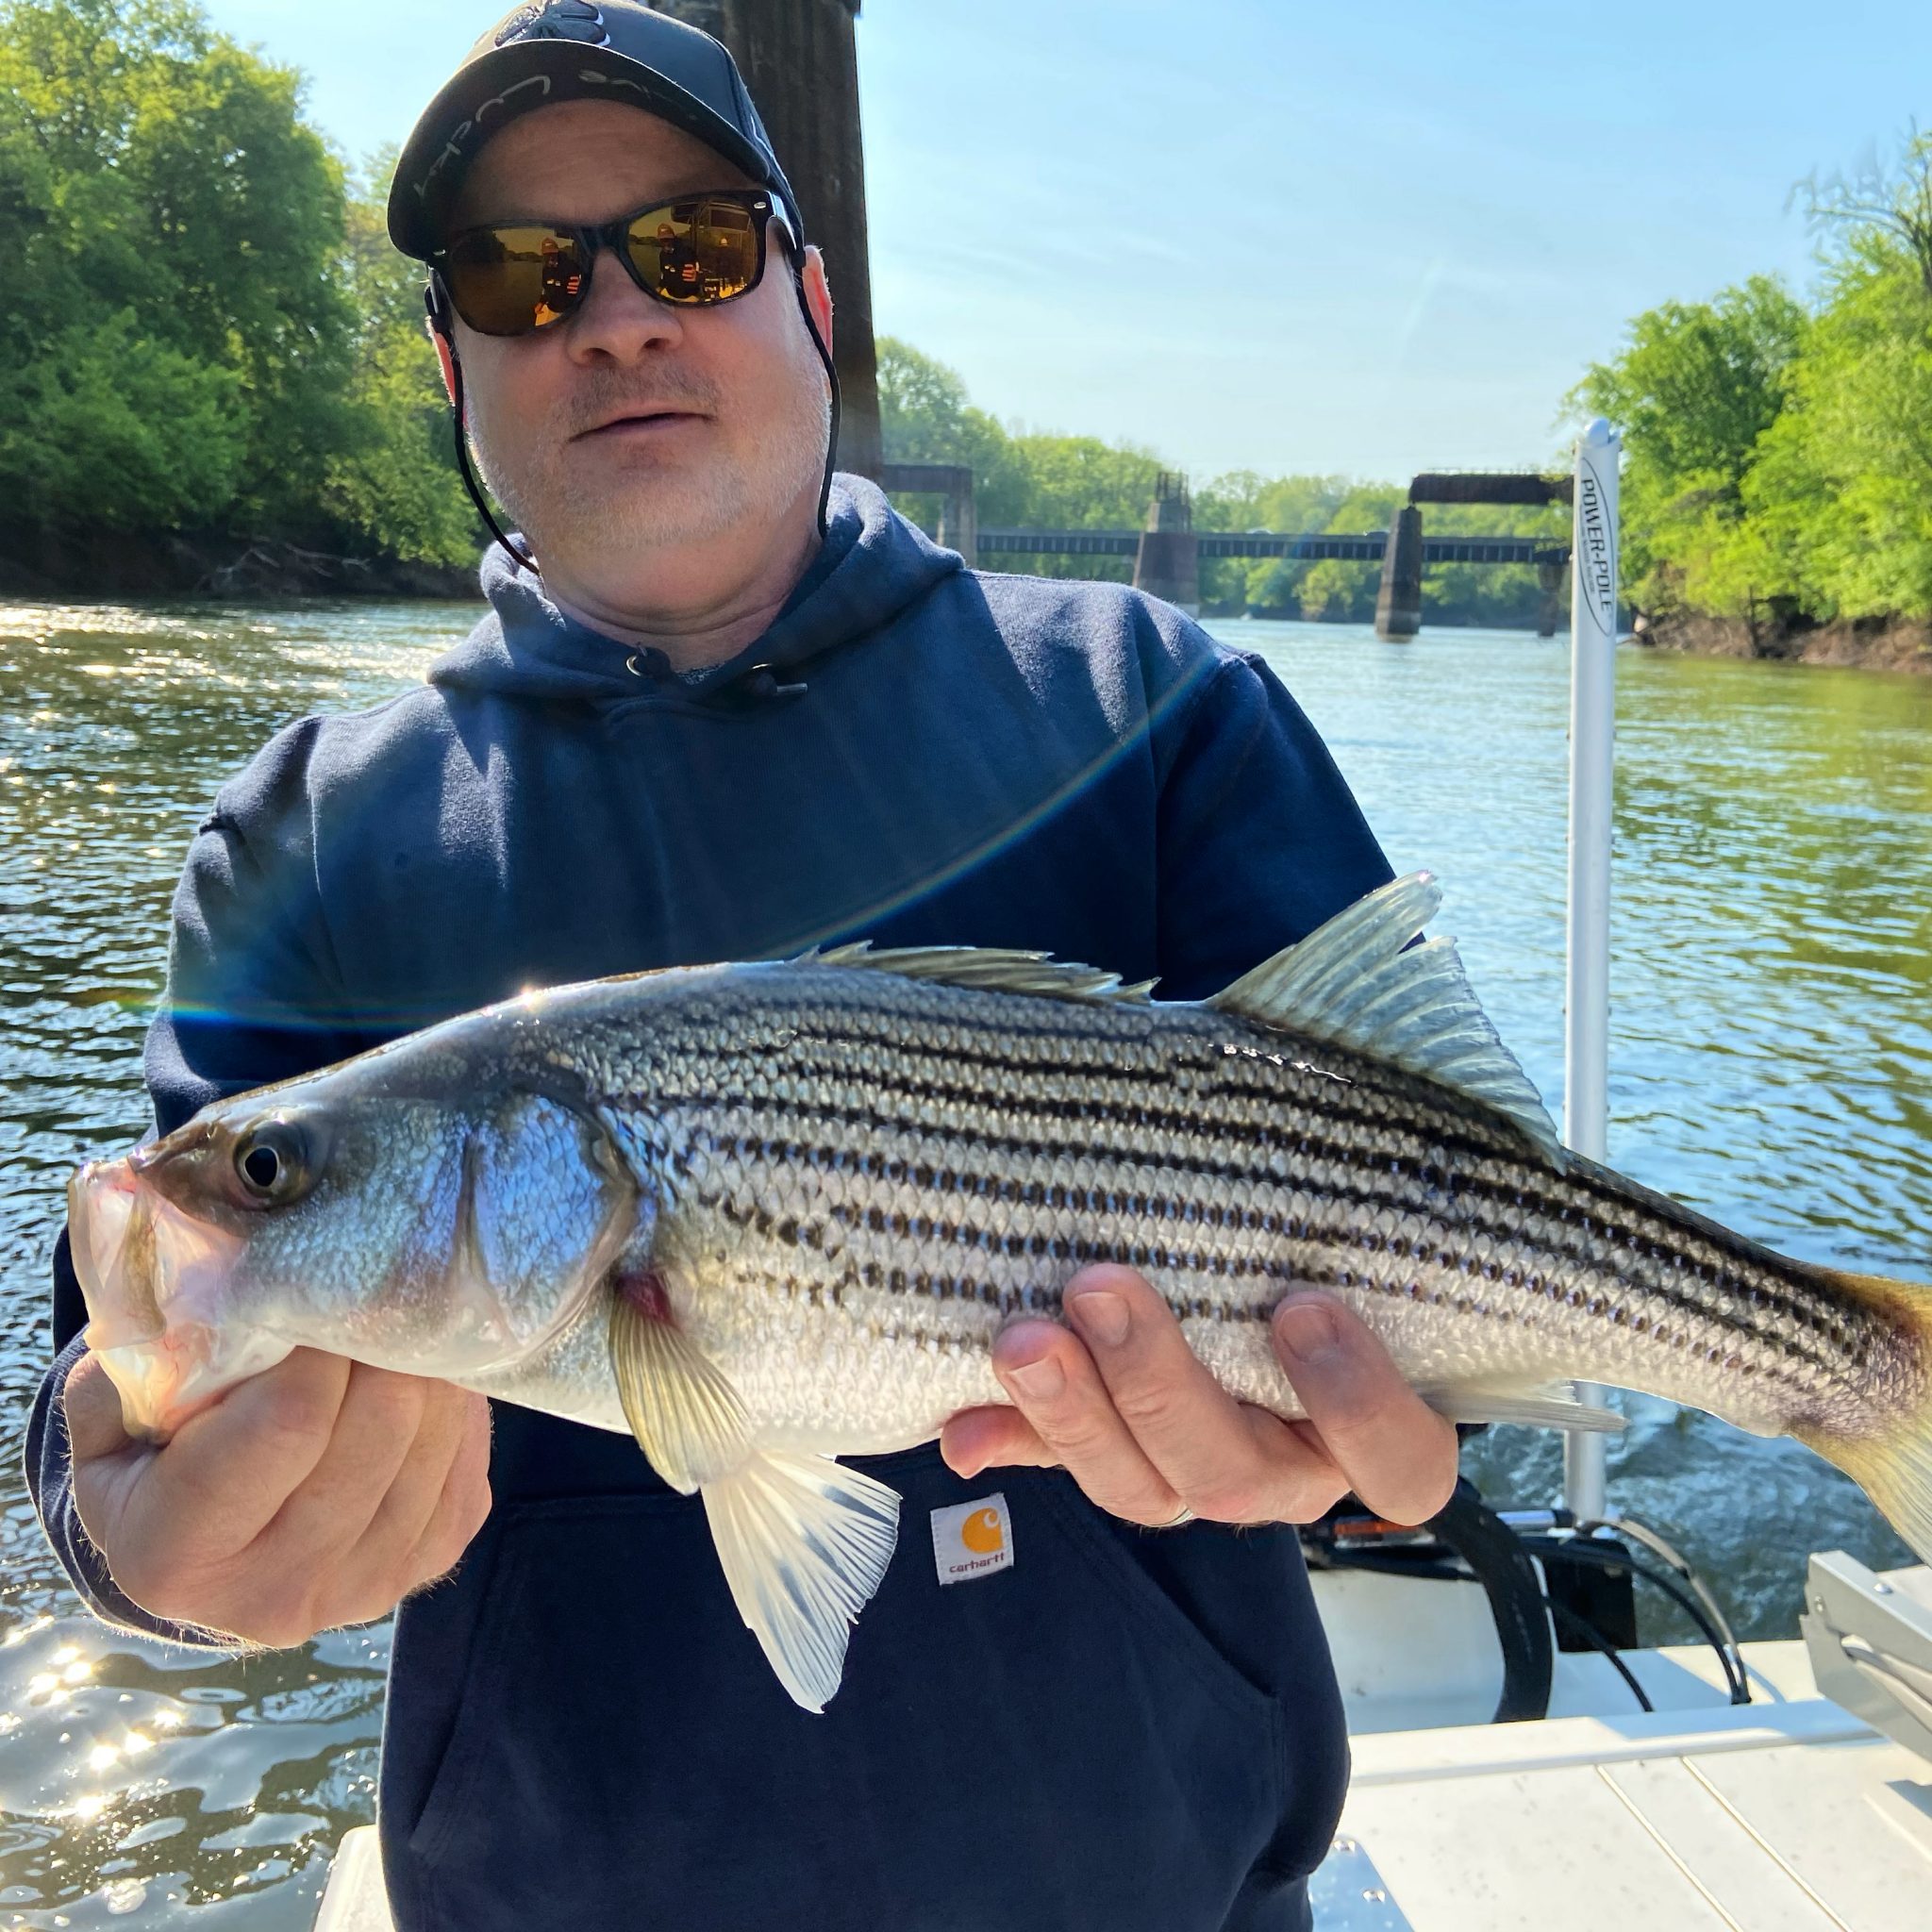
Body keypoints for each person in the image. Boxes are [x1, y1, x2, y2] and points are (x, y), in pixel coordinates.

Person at [26, 6, 1457, 1927]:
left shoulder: (1161, 705)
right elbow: (112, 1398)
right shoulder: (303, 835)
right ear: (454, 362)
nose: (612, 319)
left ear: (811, 296)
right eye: (521, 277)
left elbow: (1448, 1263)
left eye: (688, 248)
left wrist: (1368, 1469)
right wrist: (135, 1539)